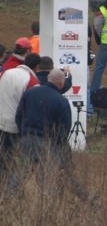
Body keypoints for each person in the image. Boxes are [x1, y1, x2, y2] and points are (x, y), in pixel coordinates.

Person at [8, 69, 96, 203]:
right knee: (56, 172)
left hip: (27, 138)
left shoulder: (30, 93)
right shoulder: (61, 101)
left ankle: (7, 198)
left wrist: (24, 132)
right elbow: (65, 129)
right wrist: (58, 145)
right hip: (47, 143)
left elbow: (19, 115)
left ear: (48, 77)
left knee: (22, 170)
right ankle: (56, 203)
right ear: (61, 83)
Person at [0, 53, 41, 174]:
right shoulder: (32, 81)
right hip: (16, 125)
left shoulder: (6, 72)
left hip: (1, 120)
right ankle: (11, 182)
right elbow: (32, 107)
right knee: (15, 157)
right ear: (37, 67)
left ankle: (5, 178)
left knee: (5, 154)